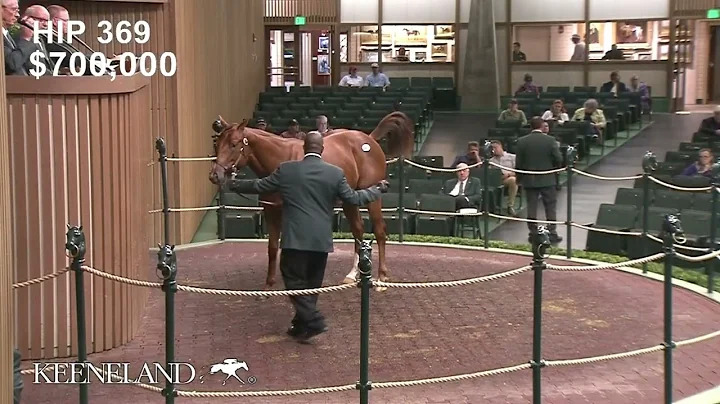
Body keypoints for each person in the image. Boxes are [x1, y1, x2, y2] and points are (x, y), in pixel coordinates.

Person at [228, 132, 389, 342]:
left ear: (304, 148)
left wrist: (234, 184)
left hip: (295, 241)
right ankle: (300, 325)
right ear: (322, 150)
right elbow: (354, 198)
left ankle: (313, 321)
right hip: (321, 243)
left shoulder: (286, 170)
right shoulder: (335, 174)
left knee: (294, 281)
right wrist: (377, 189)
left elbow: (259, 186)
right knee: (312, 285)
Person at [515, 117, 563, 244]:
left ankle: (533, 233)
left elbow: (519, 163)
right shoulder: (550, 140)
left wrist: (519, 178)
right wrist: (554, 169)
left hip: (529, 179)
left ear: (531, 126)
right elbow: (558, 158)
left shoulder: (521, 141)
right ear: (542, 126)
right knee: (550, 207)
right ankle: (552, 232)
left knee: (531, 206)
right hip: (547, 178)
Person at [13, 4, 53, 75]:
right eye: (41, 20)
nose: (45, 24)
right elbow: (30, 66)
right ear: (27, 19)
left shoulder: (40, 38)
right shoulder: (21, 37)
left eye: (47, 21)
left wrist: (59, 73)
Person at [489, 140, 519, 216]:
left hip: (508, 178)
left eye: (495, 147)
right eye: (492, 148)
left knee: (513, 180)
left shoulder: (512, 157)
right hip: (497, 179)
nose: (494, 150)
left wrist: (508, 174)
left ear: (501, 147)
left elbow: (518, 171)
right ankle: (493, 207)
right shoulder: (491, 161)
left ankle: (510, 205)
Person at [3, 0, 32, 75]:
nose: (17, 15)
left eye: (17, 10)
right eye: (13, 9)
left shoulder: (6, 33)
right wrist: (25, 39)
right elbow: (12, 64)